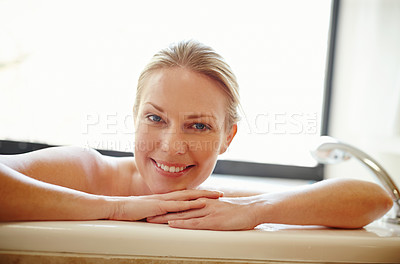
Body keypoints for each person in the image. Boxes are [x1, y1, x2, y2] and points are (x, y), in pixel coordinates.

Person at [0, 40, 393, 230]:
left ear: (227, 138)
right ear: (134, 117)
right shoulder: (86, 171)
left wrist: (255, 209)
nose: (172, 146)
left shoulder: (206, 202)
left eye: (199, 126)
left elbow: (371, 199)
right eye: (155, 118)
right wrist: (116, 208)